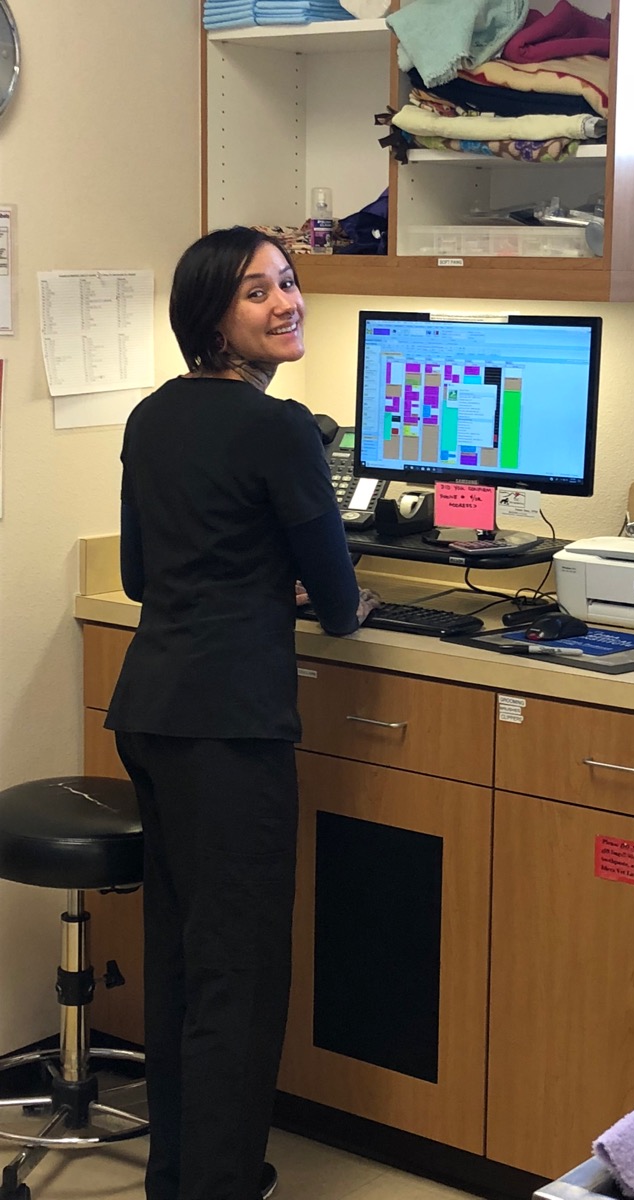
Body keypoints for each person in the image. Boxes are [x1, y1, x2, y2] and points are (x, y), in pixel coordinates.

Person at [104, 226, 379, 1200]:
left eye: (289, 282)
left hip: (152, 711)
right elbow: (339, 604)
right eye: (258, 292)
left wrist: (255, 574)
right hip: (230, 726)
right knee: (241, 975)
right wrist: (317, 592)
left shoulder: (151, 416)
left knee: (184, 964)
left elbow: (141, 576)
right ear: (212, 320)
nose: (286, 303)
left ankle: (179, 1177)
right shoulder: (280, 429)